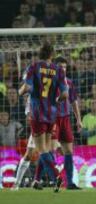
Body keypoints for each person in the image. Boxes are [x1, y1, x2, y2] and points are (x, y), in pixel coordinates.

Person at [18, 42, 68, 193]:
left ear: (40, 54)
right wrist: (56, 101)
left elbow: (26, 88)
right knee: (46, 148)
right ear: (51, 55)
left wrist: (20, 91)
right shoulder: (58, 70)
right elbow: (65, 94)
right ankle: (38, 180)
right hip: (51, 113)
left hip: (37, 113)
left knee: (41, 149)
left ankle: (56, 177)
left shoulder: (33, 67)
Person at [53, 56, 82, 189]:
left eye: (64, 67)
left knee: (68, 150)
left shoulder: (69, 83)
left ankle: (70, 183)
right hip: (52, 119)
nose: (63, 69)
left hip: (65, 118)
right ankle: (43, 180)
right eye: (60, 67)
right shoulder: (50, 83)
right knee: (49, 149)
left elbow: (74, 102)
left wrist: (78, 119)